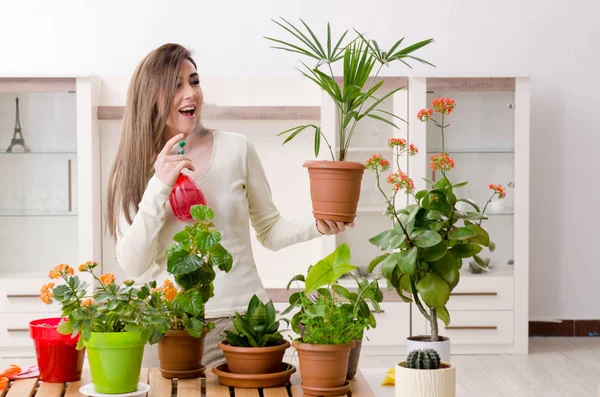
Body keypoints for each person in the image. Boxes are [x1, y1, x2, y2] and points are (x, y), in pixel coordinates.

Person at [106, 43, 353, 367]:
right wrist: (160, 184)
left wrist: (317, 224)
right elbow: (134, 264)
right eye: (176, 85)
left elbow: (270, 231)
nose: (190, 94)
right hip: (168, 327)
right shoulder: (135, 166)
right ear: (150, 97)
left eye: (194, 81)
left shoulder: (237, 149)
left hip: (242, 322)